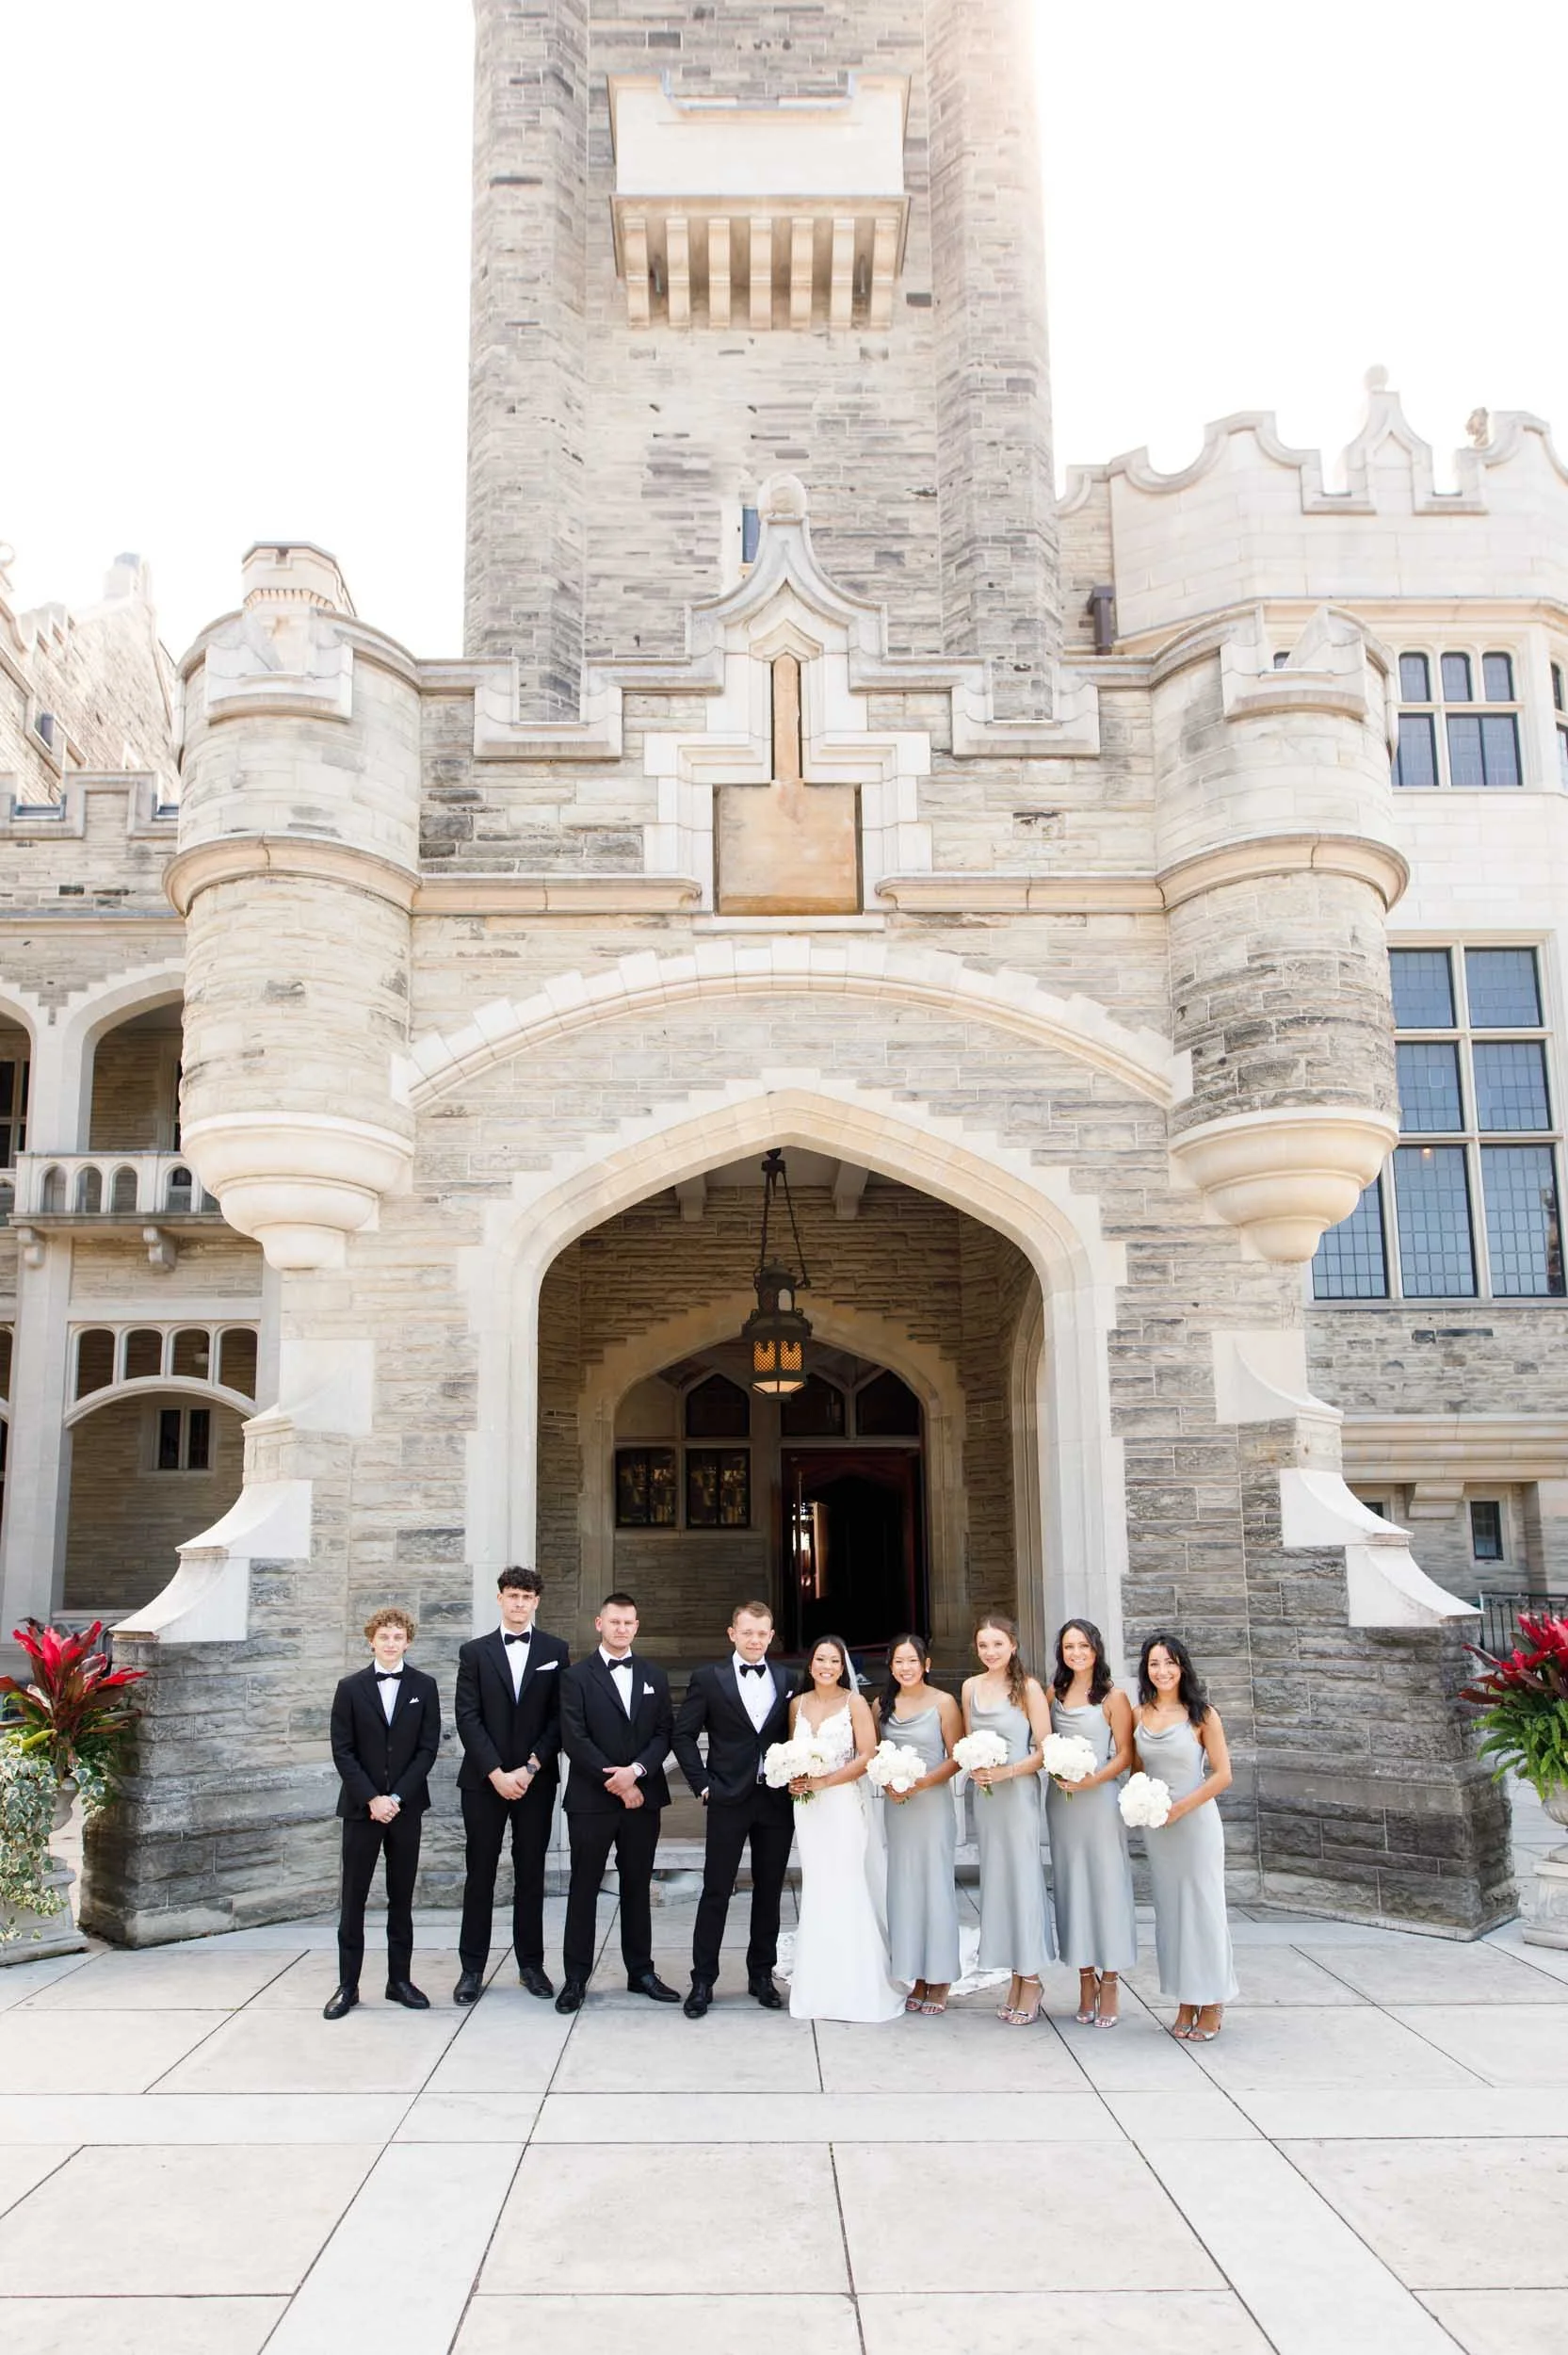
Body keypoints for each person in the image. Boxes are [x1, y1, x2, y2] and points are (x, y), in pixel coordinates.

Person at [671, 1599, 796, 2018]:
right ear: (732, 1634)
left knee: (769, 1890)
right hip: (726, 1797)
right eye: (748, 1632)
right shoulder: (709, 1678)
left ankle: (761, 1974)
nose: (756, 1640)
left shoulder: (787, 1677)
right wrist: (703, 1786)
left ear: (771, 1635)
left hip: (775, 1800)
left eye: (763, 1633)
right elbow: (683, 1735)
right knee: (716, 1889)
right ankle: (702, 1980)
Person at [452, 1565, 570, 2005]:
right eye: (512, 1595)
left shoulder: (556, 1649)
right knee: (480, 1873)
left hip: (535, 1782)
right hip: (485, 1782)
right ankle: (472, 1969)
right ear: (500, 1598)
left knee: (531, 1874)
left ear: (536, 1602)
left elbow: (561, 1717)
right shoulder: (474, 1652)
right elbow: (468, 1716)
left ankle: (531, 1965)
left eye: (527, 1596)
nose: (519, 1603)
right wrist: (497, 1772)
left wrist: (531, 1767)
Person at [557, 1592, 679, 2013]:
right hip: (592, 1800)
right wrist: (617, 1780)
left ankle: (640, 1971)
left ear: (636, 1626)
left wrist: (637, 1774)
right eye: (614, 1622)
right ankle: (575, 1978)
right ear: (599, 1624)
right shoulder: (575, 1678)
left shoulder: (654, 1676)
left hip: (643, 1798)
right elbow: (574, 1738)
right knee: (584, 1888)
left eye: (628, 1623)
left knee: (636, 1886)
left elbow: (664, 1732)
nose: (621, 1629)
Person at [323, 1606, 441, 2021]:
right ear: (371, 1639)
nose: (391, 1643)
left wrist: (397, 1798)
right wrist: (373, 1798)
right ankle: (348, 1985)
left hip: (405, 1810)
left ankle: (399, 1980)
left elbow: (428, 1748)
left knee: (401, 1898)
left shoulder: (424, 1686)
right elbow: (343, 1749)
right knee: (352, 1899)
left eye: (398, 1636)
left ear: (408, 1641)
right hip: (361, 1809)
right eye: (384, 1636)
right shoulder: (350, 1687)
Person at [786, 1633, 904, 2023]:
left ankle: (858, 1984)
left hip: (841, 1806)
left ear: (844, 1667)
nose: (827, 1667)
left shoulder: (854, 1703)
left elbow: (868, 1754)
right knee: (818, 1886)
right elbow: (791, 1754)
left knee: (847, 1883)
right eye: (821, 1659)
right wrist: (795, 1778)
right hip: (809, 1811)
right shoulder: (797, 1705)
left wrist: (825, 1781)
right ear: (810, 1664)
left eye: (835, 1662)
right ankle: (818, 1981)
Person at [1134, 1631, 1238, 2040]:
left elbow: (1224, 1774)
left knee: (1203, 1910)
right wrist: (1141, 1803)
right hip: (1158, 1829)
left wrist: (1179, 1808)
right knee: (1172, 1913)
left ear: (1182, 1667)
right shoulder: (1142, 1714)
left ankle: (1212, 2001)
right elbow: (1139, 1770)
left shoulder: (1203, 1715)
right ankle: (1185, 1998)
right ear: (1146, 1668)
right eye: (1155, 1663)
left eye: (1170, 1662)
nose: (1162, 1671)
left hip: (1194, 1824)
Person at [962, 1614, 1057, 2025]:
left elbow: (1045, 1748)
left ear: (1012, 1645)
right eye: (984, 1645)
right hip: (987, 1797)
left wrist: (1008, 1771)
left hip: (1017, 1793)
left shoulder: (1029, 1689)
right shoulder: (970, 1688)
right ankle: (1014, 1975)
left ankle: (1031, 1977)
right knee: (998, 1882)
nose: (990, 1652)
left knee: (1022, 1881)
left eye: (997, 1644)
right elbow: (968, 1742)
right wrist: (975, 1766)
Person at [1045, 1616, 1137, 2027]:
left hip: (1099, 1800)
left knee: (1106, 1885)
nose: (1076, 1653)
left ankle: (1111, 1979)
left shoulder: (1113, 1697)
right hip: (1062, 1802)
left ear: (1095, 1650)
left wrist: (1092, 1779)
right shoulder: (1054, 1693)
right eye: (1069, 1647)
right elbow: (1043, 1742)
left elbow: (1125, 1754)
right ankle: (1085, 1979)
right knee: (1073, 1885)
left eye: (1083, 1646)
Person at [873, 1633, 962, 2013]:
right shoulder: (881, 1705)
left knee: (935, 1886)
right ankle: (914, 1972)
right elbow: (876, 1754)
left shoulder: (944, 1702)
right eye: (898, 1662)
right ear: (890, 1667)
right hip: (899, 1807)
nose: (905, 1668)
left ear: (926, 1664)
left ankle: (939, 1977)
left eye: (912, 1661)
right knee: (905, 1887)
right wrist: (888, 1781)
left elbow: (957, 1756)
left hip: (932, 1803)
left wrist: (923, 1782)